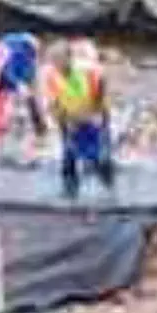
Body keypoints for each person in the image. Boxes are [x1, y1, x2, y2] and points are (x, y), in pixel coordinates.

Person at [42, 42, 115, 200]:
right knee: (69, 159)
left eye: (59, 60)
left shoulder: (86, 71)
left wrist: (97, 113)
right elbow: (55, 105)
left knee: (99, 159)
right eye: (53, 61)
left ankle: (111, 194)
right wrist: (64, 128)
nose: (56, 64)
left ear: (69, 58)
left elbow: (102, 81)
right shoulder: (51, 75)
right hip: (71, 119)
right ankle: (70, 196)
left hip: (93, 119)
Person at [0, 31, 47, 162]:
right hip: (13, 56)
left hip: (21, 51)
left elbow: (9, 75)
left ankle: (39, 132)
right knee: (15, 102)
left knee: (30, 98)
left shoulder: (2, 65)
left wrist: (20, 88)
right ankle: (14, 137)